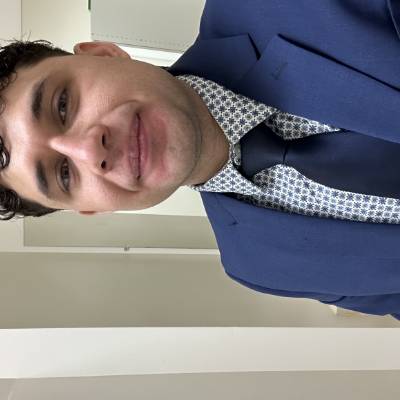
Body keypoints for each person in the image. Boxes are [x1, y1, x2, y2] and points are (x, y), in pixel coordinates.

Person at [1, 0, 400, 320]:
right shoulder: (259, 266)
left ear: (105, 54)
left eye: (63, 105)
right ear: (93, 208)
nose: (91, 151)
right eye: (64, 175)